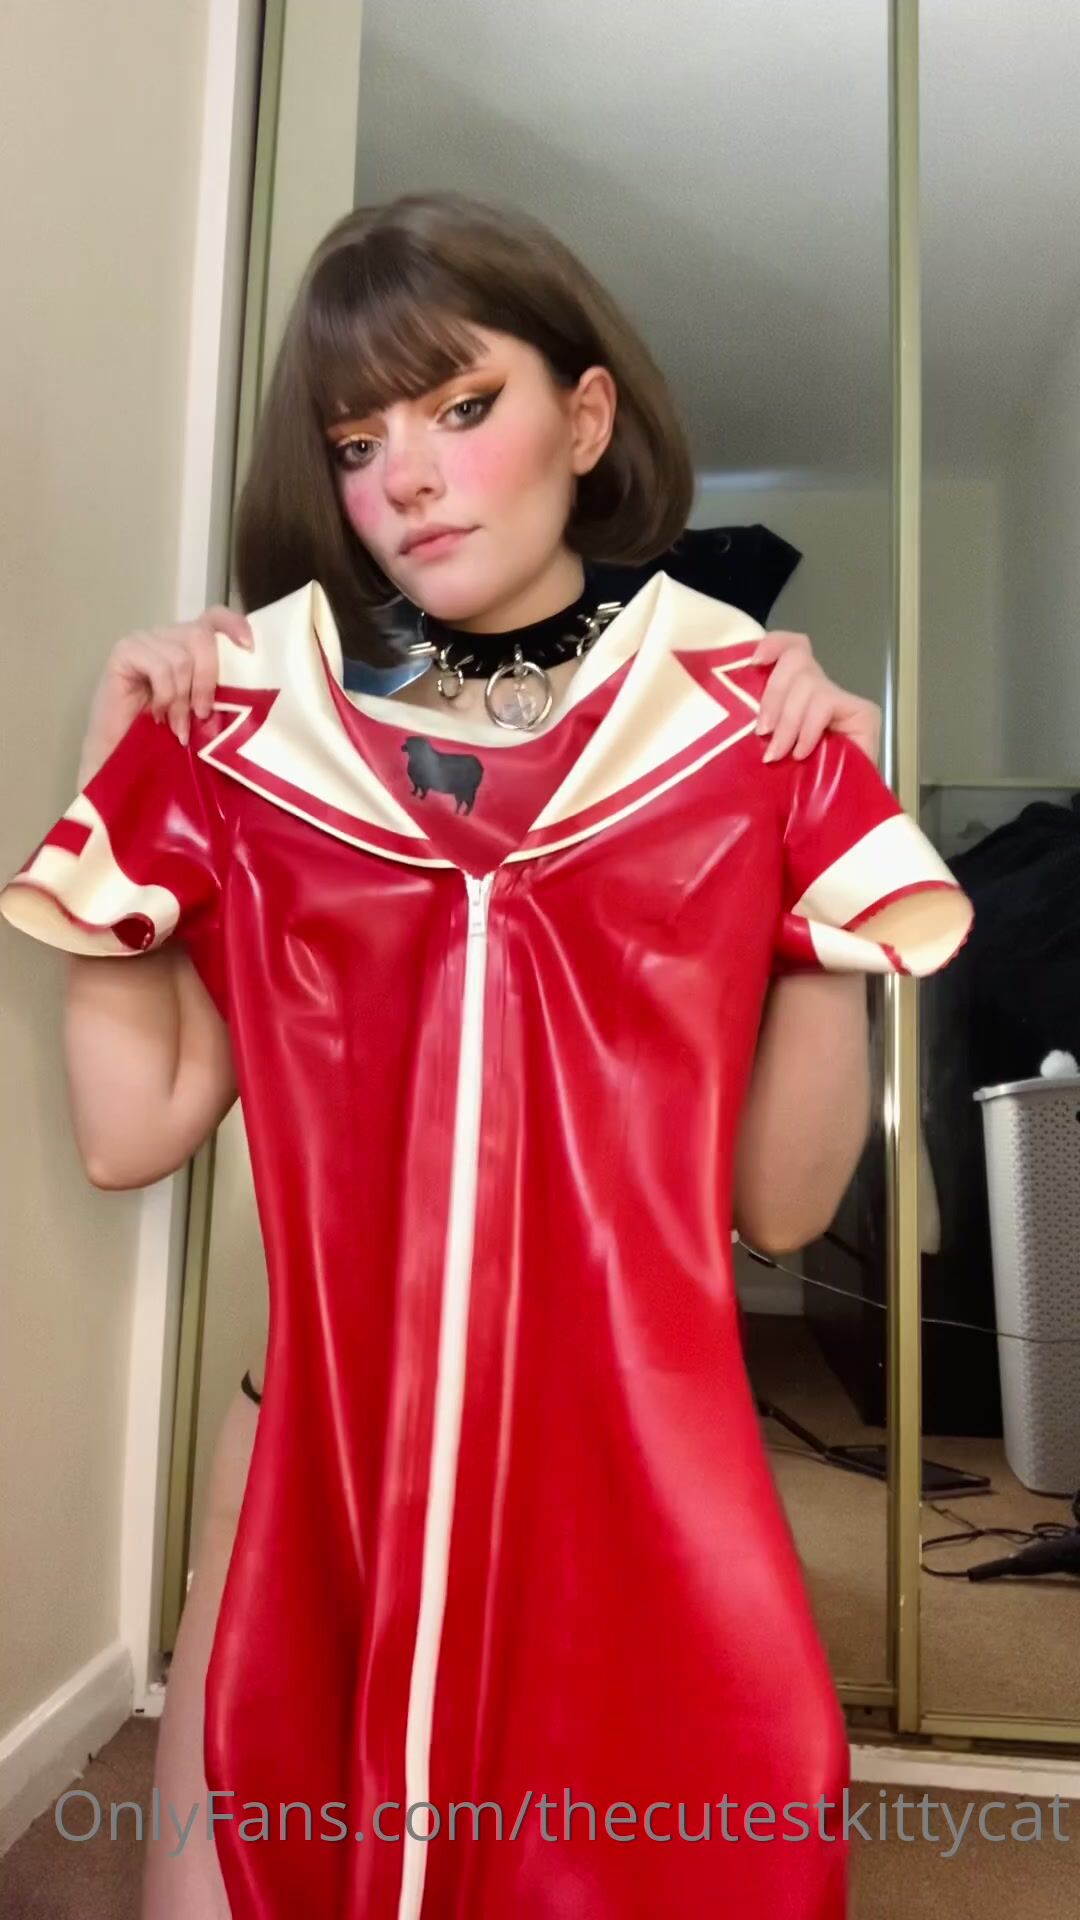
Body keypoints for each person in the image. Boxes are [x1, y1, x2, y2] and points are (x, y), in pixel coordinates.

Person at [1, 193, 972, 1920]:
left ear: (585, 420)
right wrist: (114, 782)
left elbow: (778, 1207)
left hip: (631, 1479)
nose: (409, 479)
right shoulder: (264, 742)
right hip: (321, 1464)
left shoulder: (730, 727)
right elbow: (128, 1131)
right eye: (356, 441)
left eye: (461, 407)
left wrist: (819, 883)